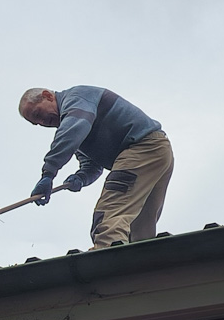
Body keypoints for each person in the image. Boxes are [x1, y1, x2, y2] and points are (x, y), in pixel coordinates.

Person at [19, 86, 173, 249]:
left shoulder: (77, 99)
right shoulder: (79, 119)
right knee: (139, 227)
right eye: (36, 123)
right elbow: (92, 166)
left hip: (142, 148)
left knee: (110, 215)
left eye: (38, 114)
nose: (42, 122)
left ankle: (108, 257)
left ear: (47, 96)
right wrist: (80, 177)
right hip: (156, 152)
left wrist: (48, 174)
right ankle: (142, 260)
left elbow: (72, 131)